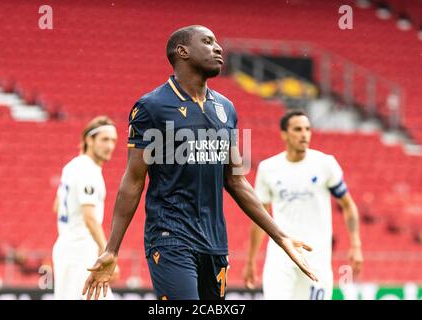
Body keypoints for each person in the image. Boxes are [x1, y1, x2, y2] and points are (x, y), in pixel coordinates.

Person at [82, 25, 317, 301]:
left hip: (215, 243)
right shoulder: (151, 107)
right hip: (170, 237)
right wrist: (112, 248)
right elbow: (133, 181)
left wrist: (281, 236)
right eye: (207, 42)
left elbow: (235, 179)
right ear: (182, 51)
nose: (218, 48)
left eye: (217, 42)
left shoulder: (226, 108)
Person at [243, 110, 363, 300]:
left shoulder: (325, 164)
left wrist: (356, 245)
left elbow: (348, 205)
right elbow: (260, 218)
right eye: (297, 129)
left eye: (307, 129)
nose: (304, 134)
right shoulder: (268, 169)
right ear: (284, 134)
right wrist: (250, 261)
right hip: (281, 258)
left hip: (317, 259)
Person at [52, 116, 119, 300]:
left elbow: (57, 205)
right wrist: (108, 253)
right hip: (77, 251)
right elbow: (89, 217)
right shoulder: (88, 170)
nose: (110, 146)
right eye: (105, 139)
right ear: (89, 140)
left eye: (113, 140)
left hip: (71, 246)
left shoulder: (72, 166)